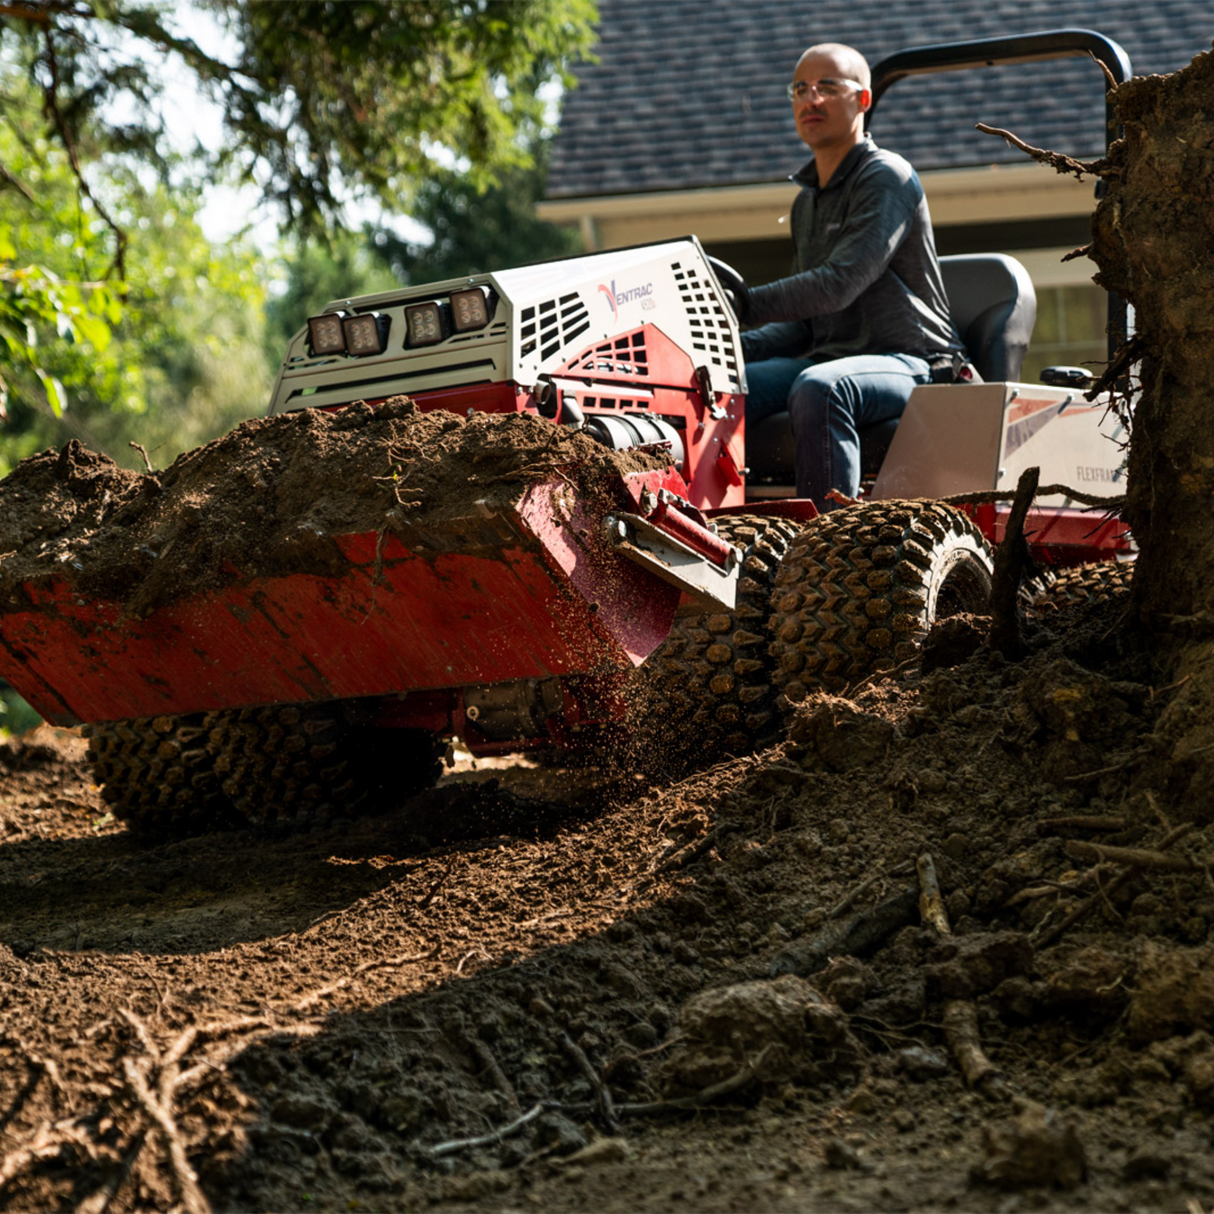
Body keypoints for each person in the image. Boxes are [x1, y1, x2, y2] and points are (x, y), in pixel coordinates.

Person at [732, 42, 966, 509]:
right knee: (722, 384)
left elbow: (839, 284)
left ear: (863, 100)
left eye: (827, 87)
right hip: (827, 353)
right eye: (800, 89)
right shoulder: (807, 202)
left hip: (913, 362)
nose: (810, 99)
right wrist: (724, 343)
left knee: (823, 388)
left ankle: (828, 549)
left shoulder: (887, 177)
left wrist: (743, 303)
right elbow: (804, 323)